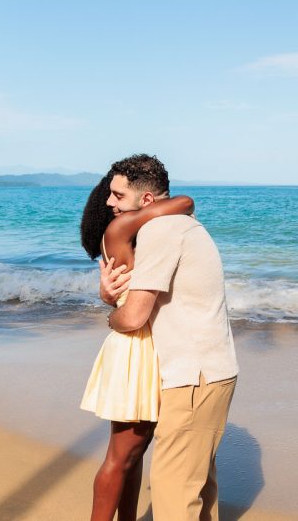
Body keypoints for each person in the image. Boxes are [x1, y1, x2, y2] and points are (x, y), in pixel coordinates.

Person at [100, 154, 239, 521]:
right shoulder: (185, 224)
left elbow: (132, 317)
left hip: (193, 377)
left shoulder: (161, 231)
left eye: (117, 195)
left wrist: (110, 315)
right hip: (212, 372)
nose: (109, 202)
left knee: (173, 496)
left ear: (146, 201)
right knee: (197, 489)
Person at [80, 168, 195, 521]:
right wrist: (149, 201)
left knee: (133, 454)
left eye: (118, 196)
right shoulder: (118, 229)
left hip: (136, 344)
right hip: (136, 347)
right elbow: (185, 203)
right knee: (121, 455)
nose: (114, 204)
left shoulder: (122, 235)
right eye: (111, 198)